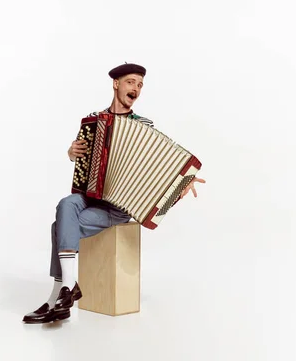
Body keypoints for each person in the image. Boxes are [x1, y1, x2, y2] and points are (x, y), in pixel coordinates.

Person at [22, 62, 206, 324]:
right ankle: (66, 290)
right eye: (131, 82)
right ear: (116, 84)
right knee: (67, 204)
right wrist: (71, 153)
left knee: (59, 225)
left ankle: (57, 297)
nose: (136, 89)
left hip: (118, 207)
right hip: (90, 196)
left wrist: (180, 184)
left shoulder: (143, 126)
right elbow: (80, 155)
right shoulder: (93, 121)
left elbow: (160, 168)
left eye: (140, 85)